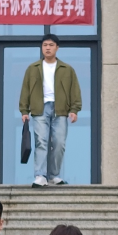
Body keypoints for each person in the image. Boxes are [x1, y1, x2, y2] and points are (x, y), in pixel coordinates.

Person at [18, 33, 82, 186]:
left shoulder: (67, 69)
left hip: (60, 109)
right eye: (45, 45)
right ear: (42, 48)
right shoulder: (32, 69)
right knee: (41, 141)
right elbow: (25, 90)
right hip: (40, 109)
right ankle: (40, 175)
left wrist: (74, 109)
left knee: (59, 143)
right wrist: (24, 111)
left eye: (51, 45)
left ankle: (54, 175)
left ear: (57, 48)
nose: (48, 48)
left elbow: (75, 90)